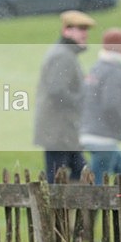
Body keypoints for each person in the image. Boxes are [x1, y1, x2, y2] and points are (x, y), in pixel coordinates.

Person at [33, 9, 95, 181]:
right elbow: (56, 91)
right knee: (61, 181)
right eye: (80, 29)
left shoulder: (65, 53)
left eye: (86, 30)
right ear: (66, 30)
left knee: (79, 176)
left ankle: (73, 207)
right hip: (59, 132)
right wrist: (80, 100)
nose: (85, 34)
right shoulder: (63, 56)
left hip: (63, 131)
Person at [80, 27, 121, 184]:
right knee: (96, 187)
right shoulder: (114, 72)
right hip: (103, 138)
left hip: (88, 132)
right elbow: (112, 106)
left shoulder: (97, 68)